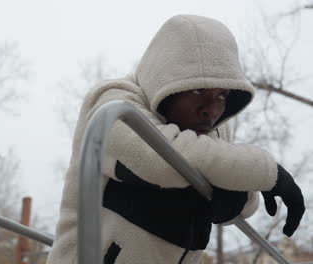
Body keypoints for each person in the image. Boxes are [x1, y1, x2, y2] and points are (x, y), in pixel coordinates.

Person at [46, 14, 305, 264]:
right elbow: (160, 159)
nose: (212, 110)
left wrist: (239, 189)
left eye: (222, 95)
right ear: (165, 80)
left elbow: (238, 204)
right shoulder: (113, 105)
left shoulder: (209, 132)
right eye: (196, 90)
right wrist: (265, 172)